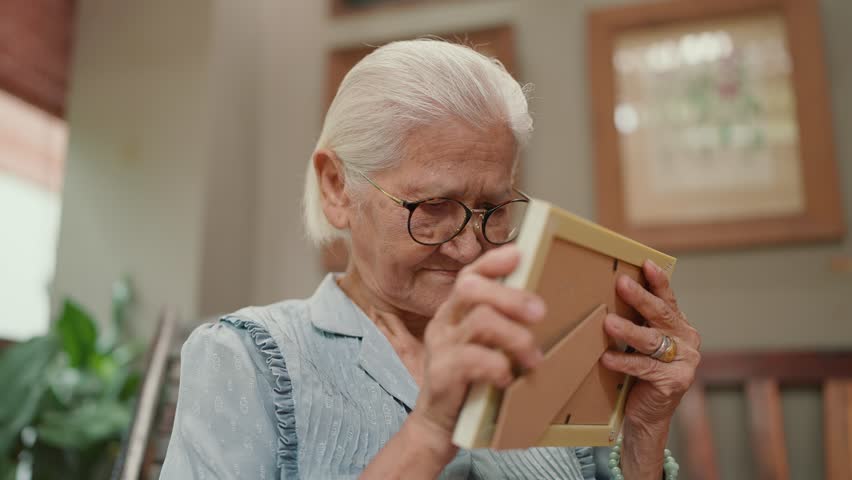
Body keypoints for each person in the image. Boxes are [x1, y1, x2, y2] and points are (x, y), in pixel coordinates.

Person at [160, 39, 701, 479]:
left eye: (491, 207)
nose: (468, 248)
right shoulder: (248, 359)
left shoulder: (540, 349)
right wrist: (428, 431)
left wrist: (643, 437)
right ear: (336, 188)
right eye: (432, 206)